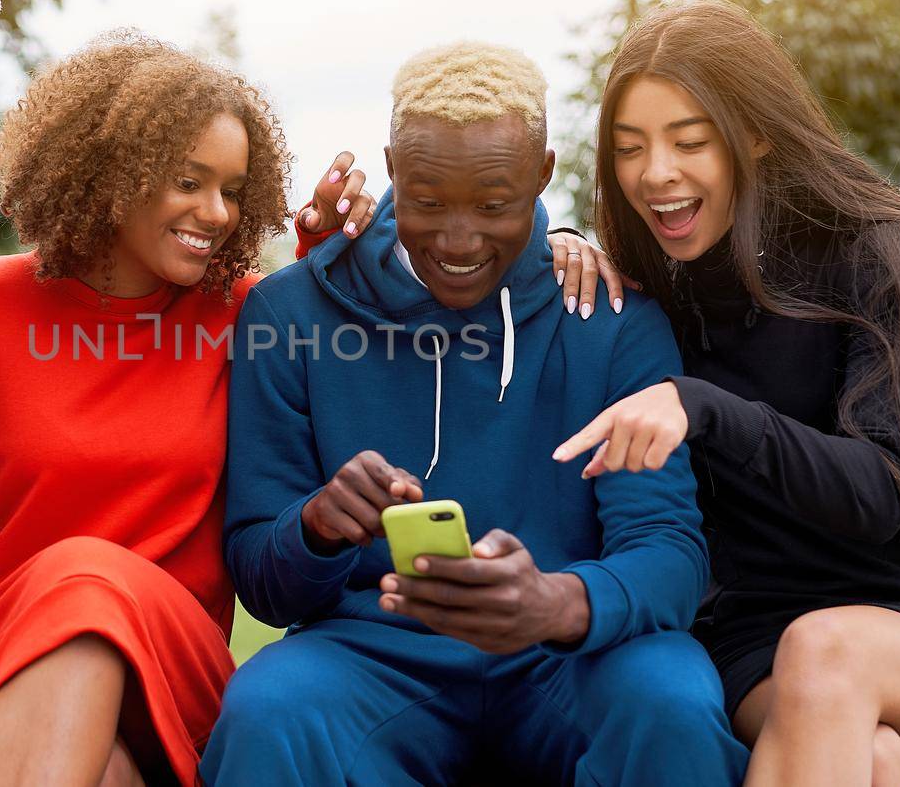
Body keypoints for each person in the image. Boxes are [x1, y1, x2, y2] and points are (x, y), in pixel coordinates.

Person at [202, 42, 749, 786]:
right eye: (427, 202)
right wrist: (318, 526)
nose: (458, 241)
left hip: (573, 653)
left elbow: (668, 552)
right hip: (373, 655)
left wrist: (557, 602)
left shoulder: (613, 321)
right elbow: (261, 579)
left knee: (670, 701)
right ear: (393, 167)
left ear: (543, 174)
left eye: (495, 205)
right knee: (270, 709)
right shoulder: (288, 314)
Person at [550, 0, 900, 786]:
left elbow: (887, 493)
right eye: (629, 148)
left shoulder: (881, 255)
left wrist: (706, 410)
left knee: (827, 652)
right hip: (753, 642)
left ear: (757, 134)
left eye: (689, 141)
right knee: (869, 759)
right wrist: (560, 241)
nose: (654, 173)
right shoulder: (651, 298)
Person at [0, 31, 373, 787]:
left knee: (86, 579)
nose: (216, 212)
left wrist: (331, 262)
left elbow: (398, 341)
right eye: (188, 182)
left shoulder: (248, 317)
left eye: (231, 188)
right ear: (110, 172)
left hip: (167, 655)